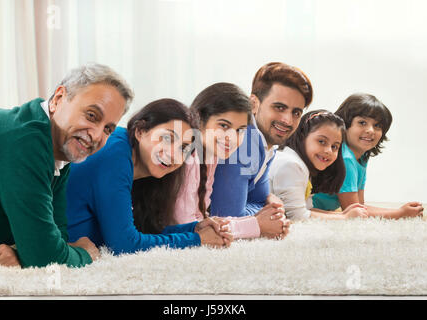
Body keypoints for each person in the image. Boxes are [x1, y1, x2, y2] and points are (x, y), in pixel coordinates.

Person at [0, 63, 133, 268]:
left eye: (108, 129)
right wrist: (86, 254)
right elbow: (46, 259)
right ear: (58, 99)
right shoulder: (26, 141)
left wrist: (21, 251)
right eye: (91, 115)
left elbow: (56, 236)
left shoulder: (60, 153)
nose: (97, 135)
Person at [65, 98, 232, 256]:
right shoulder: (115, 153)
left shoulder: (133, 161)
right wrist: (198, 240)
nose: (173, 154)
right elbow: (125, 244)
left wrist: (194, 229)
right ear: (140, 131)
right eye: (167, 138)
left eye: (183, 148)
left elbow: (141, 231)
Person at [172, 82, 290, 240]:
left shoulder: (211, 157)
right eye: (223, 125)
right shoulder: (188, 157)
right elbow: (190, 229)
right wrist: (258, 225)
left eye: (240, 130)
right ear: (199, 118)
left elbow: (203, 219)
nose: (232, 138)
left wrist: (269, 219)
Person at [209, 62, 313, 218]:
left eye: (296, 113)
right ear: (253, 104)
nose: (288, 121)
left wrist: (268, 205)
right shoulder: (241, 143)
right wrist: (267, 211)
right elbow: (229, 217)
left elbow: (258, 199)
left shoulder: (266, 145)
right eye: (279, 107)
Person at [312, 93, 424, 219]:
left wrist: (400, 210)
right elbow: (354, 210)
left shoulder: (362, 157)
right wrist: (399, 214)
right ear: (344, 126)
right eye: (362, 122)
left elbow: (360, 205)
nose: (370, 130)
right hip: (306, 209)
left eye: (377, 125)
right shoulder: (345, 158)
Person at [269, 110, 369, 220]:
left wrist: (342, 214)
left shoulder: (302, 164)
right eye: (321, 141)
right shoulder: (291, 165)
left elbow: (306, 208)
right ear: (303, 136)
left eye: (334, 147)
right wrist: (345, 217)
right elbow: (296, 216)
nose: (328, 151)